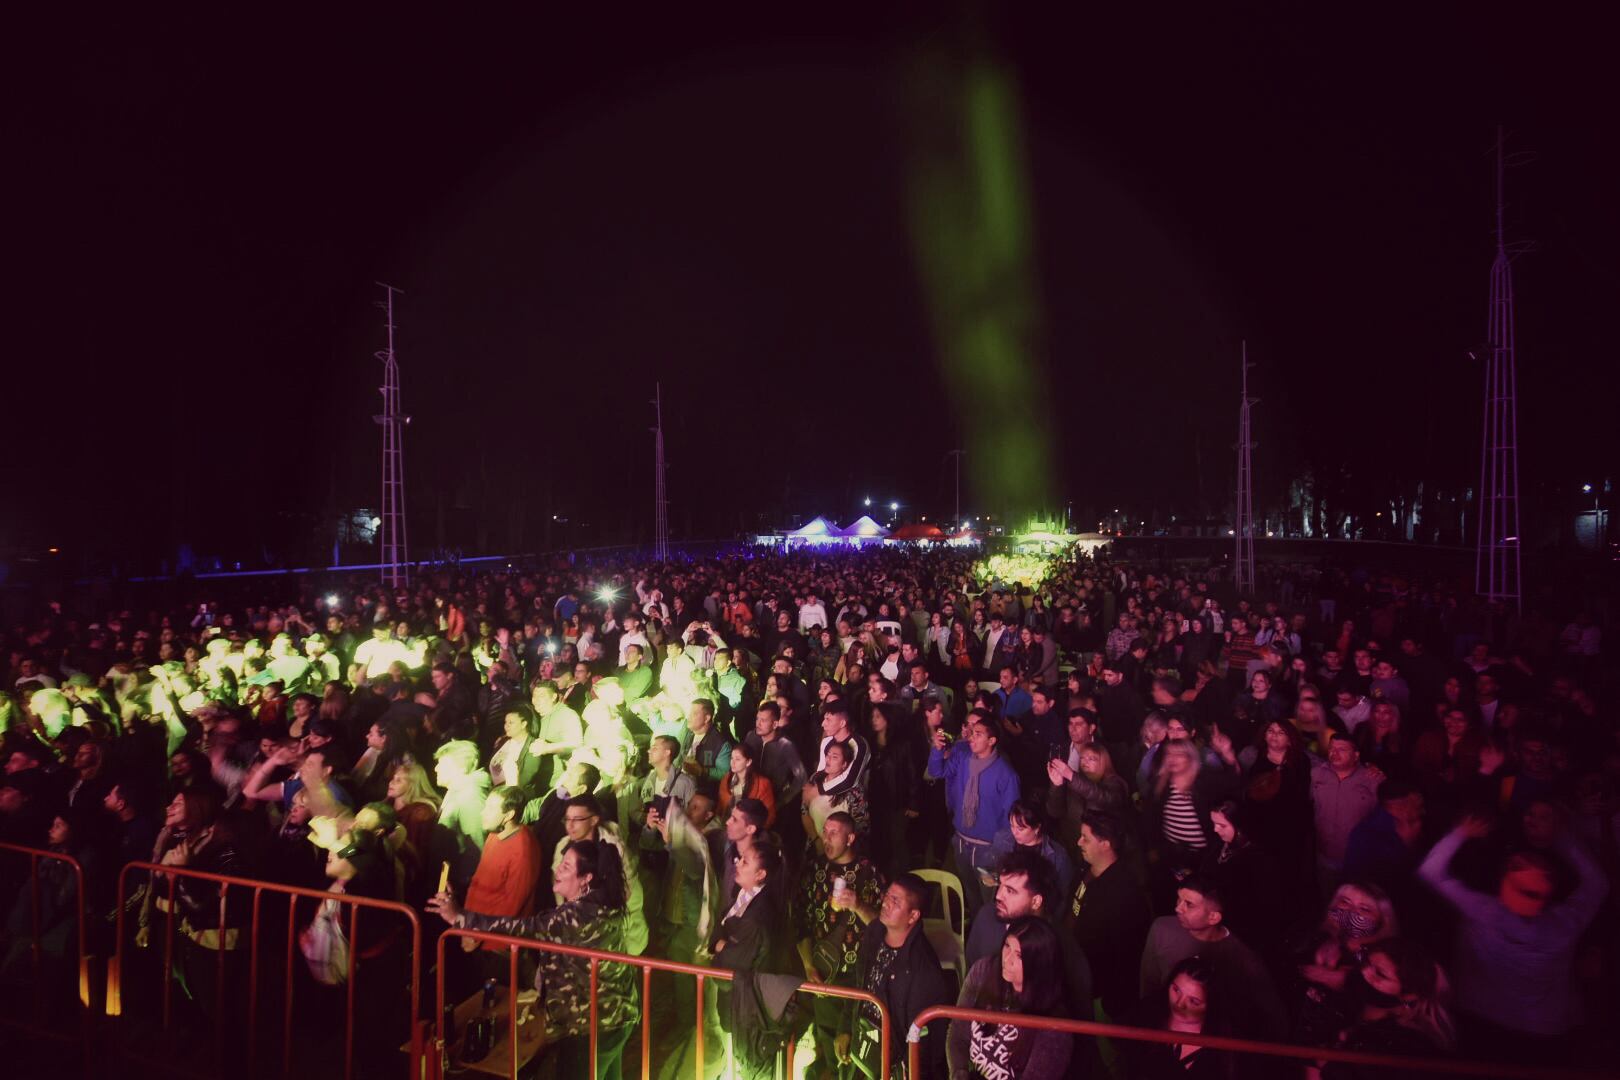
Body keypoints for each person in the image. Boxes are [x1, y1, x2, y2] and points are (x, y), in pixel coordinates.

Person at [431, 840, 638, 1079]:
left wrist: (460, 916)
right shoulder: (601, 904)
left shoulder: (578, 915)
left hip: (593, 1025)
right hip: (616, 1015)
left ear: (586, 878)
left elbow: (524, 928)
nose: (558, 869)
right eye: (561, 862)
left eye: (567, 866)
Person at [1417, 811, 1608, 1063]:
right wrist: (1561, 838)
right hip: (1545, 1028)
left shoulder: (1483, 910)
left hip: (1478, 1019)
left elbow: (1431, 872)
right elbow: (1598, 884)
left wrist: (1461, 833)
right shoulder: (1567, 922)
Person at [1137, 875, 1286, 1041]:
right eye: (1178, 899)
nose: (1178, 909)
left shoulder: (1245, 959)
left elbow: (1272, 1015)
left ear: (1213, 917)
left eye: (1189, 904)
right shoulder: (1161, 928)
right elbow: (1149, 984)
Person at [794, 810, 884, 1077]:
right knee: (828, 1035)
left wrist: (858, 906)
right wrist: (809, 966)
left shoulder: (870, 873)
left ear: (850, 837)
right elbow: (801, 920)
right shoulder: (815, 869)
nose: (827, 838)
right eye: (825, 832)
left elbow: (886, 927)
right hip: (824, 973)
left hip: (859, 974)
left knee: (854, 1045)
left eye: (834, 833)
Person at [838, 874, 951, 1078]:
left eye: (895, 901)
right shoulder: (874, 934)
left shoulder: (923, 970)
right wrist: (845, 1027)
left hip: (895, 1061)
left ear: (913, 916)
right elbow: (859, 984)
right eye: (887, 895)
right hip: (863, 1044)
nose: (886, 903)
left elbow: (927, 1040)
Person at [949, 916, 1075, 1079]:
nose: (1007, 960)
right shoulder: (984, 971)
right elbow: (958, 1032)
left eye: (1019, 955)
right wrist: (959, 1074)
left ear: (1039, 963)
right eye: (1007, 946)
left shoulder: (1055, 1028)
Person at [929, 713, 1021, 916]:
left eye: (978, 734)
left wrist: (999, 854)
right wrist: (937, 749)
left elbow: (1010, 819)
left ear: (992, 740)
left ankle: (988, 932)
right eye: (972, 733)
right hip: (962, 844)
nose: (971, 737)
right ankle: (975, 923)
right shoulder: (963, 760)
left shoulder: (1006, 774)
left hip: (988, 852)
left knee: (990, 897)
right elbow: (937, 771)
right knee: (969, 890)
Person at [1068, 812, 1152, 1024]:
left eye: (1085, 838)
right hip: (1078, 969)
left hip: (1099, 989)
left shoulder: (1123, 894)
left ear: (1105, 844)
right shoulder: (1086, 870)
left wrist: (1105, 996)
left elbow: (1124, 954)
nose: (1078, 842)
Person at [1124, 956, 1235, 1080]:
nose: (1179, 1004)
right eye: (1176, 990)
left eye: (1193, 1001)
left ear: (1212, 1005)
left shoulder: (1222, 1046)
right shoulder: (1148, 1014)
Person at [1310, 733, 1380, 893]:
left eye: (1341, 749)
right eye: (1331, 748)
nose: (1334, 753)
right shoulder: (1315, 774)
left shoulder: (1372, 780)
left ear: (1356, 755)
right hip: (1324, 854)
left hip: (1359, 858)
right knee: (1328, 897)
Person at [718, 741, 776, 827]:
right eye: (731, 758)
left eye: (737, 759)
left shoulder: (763, 784)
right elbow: (720, 807)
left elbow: (769, 816)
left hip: (747, 830)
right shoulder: (726, 779)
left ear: (748, 762)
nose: (732, 762)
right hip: (726, 824)